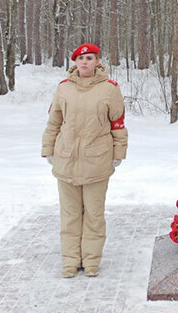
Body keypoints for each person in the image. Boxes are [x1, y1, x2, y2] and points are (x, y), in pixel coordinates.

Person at [41, 43, 128, 278]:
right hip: (66, 160)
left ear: (98, 61)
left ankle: (91, 260)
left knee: (94, 214)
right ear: (75, 62)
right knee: (69, 215)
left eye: (90, 58)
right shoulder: (63, 89)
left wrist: (118, 154)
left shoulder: (110, 89)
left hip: (96, 161)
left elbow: (118, 125)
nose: (85, 62)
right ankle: (70, 261)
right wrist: (48, 149)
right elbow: (54, 123)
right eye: (80, 58)